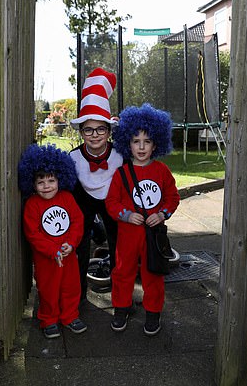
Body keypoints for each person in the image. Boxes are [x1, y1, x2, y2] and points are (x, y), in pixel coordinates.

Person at [105, 103, 180, 336]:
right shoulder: (121, 174)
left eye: (146, 142)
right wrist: (126, 215)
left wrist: (162, 214)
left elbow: (173, 197)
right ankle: (121, 308)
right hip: (128, 234)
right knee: (122, 271)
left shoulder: (162, 171)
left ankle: (153, 312)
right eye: (136, 141)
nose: (141, 147)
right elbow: (111, 203)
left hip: (152, 236)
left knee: (153, 274)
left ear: (155, 144)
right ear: (127, 143)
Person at [18, 144, 87, 339]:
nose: (47, 186)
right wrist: (52, 250)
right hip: (46, 259)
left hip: (68, 254)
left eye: (51, 180)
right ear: (32, 184)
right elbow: (33, 233)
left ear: (60, 179)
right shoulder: (32, 204)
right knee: (48, 289)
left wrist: (71, 244)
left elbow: (77, 222)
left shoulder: (67, 198)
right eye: (41, 182)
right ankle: (48, 319)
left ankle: (70, 316)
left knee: (71, 286)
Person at [69, 67, 123, 300]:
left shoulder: (120, 156)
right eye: (88, 129)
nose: (95, 134)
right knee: (80, 243)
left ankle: (120, 293)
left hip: (113, 199)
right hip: (83, 200)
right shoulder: (73, 158)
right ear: (81, 132)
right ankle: (78, 293)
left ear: (109, 130)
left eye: (101, 128)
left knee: (118, 241)